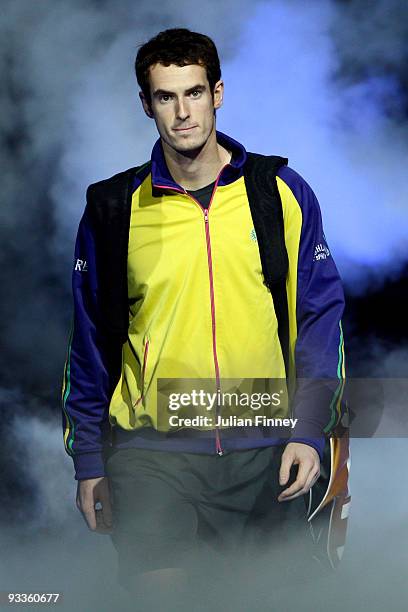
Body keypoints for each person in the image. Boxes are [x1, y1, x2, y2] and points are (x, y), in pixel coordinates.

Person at [61, 28, 350, 609]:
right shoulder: (114, 208)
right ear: (146, 104)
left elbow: (320, 322)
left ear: (218, 92)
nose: (182, 112)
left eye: (193, 93)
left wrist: (310, 431)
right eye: (166, 97)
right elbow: (88, 341)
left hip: (266, 446)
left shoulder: (280, 194)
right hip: (152, 455)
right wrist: (89, 462)